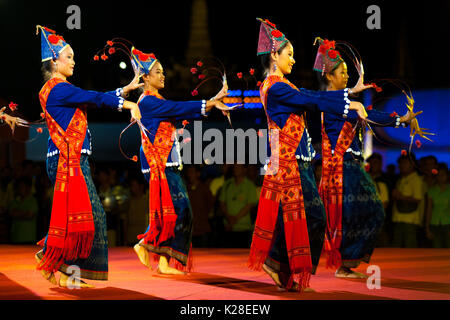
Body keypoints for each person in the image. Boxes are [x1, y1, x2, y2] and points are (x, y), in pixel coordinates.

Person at [248, 19, 371, 292]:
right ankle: (280, 263)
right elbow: (309, 98)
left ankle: (280, 265)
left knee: (299, 217)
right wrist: (349, 101)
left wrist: (348, 97)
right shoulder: (276, 87)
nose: (293, 60)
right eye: (289, 55)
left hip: (295, 161)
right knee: (313, 216)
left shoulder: (282, 85)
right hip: (290, 162)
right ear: (274, 56)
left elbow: (309, 97)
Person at [33, 25, 142, 288]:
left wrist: (125, 90)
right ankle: (76, 274)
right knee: (93, 216)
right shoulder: (58, 88)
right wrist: (126, 102)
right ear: (54, 61)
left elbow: (91, 97)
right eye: (68, 56)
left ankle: (51, 259)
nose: (73, 61)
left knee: (76, 218)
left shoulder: (59, 89)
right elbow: (92, 97)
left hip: (67, 160)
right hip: (67, 162)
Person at [117, 44, 233, 274]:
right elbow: (178, 107)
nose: (163, 75)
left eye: (162, 71)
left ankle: (161, 260)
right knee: (182, 209)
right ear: (145, 77)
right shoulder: (148, 102)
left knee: (170, 211)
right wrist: (210, 101)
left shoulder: (155, 99)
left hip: (167, 161)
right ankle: (145, 245)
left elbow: (175, 109)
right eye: (158, 71)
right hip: (160, 163)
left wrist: (211, 103)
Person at [313, 37, 414, 277]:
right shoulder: (333, 103)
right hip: (345, 168)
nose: (347, 76)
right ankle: (344, 263)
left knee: (356, 215)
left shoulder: (342, 100)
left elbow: (367, 112)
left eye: (348, 71)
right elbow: (368, 114)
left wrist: (401, 120)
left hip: (352, 167)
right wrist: (399, 120)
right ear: (329, 76)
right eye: (342, 72)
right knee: (371, 212)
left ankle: (346, 263)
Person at [391, 153, 426, 248]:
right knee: (396, 247)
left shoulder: (416, 180)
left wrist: (399, 196)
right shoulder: (401, 179)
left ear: (412, 164)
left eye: (405, 163)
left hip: (410, 221)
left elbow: (418, 199)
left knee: (409, 248)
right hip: (398, 218)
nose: (402, 165)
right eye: (400, 163)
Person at [219, 164, 258, 247]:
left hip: (243, 228)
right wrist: (228, 218)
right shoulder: (227, 184)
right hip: (228, 227)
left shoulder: (249, 185)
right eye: (235, 167)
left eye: (238, 167)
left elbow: (250, 205)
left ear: (244, 169)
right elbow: (222, 203)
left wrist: (234, 219)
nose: (236, 169)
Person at [185, 165, 214, 247]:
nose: (189, 175)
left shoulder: (204, 188)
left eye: (192, 172)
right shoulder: (186, 188)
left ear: (198, 174)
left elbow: (210, 204)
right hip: (189, 230)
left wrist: (203, 216)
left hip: (202, 229)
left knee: (204, 255)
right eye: (188, 173)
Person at [425, 163, 450, 248]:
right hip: (434, 223)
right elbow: (429, 210)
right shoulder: (432, 191)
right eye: (438, 175)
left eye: (443, 175)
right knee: (436, 249)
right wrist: (427, 228)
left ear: (447, 176)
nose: (441, 177)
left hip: (448, 223)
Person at [8, 177, 38, 244]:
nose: (20, 188)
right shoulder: (15, 200)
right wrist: (24, 213)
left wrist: (17, 213)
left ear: (28, 188)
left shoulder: (32, 201)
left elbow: (30, 215)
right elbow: (11, 213)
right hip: (15, 238)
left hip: (28, 238)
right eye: (19, 186)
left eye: (22, 186)